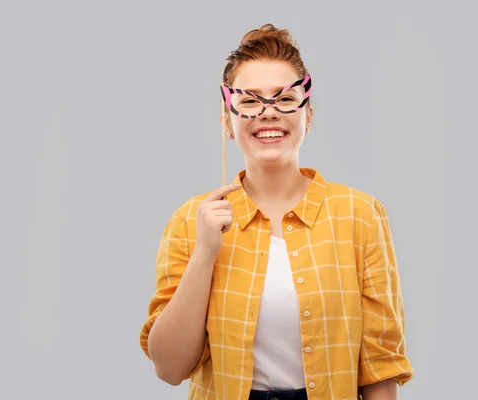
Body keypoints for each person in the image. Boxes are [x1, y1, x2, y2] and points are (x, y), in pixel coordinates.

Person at [139, 23, 415, 400]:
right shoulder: (191, 220)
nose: (268, 112)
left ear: (308, 117)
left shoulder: (361, 215)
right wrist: (204, 254)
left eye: (284, 99)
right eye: (250, 101)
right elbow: (170, 368)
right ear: (228, 123)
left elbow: (380, 367)